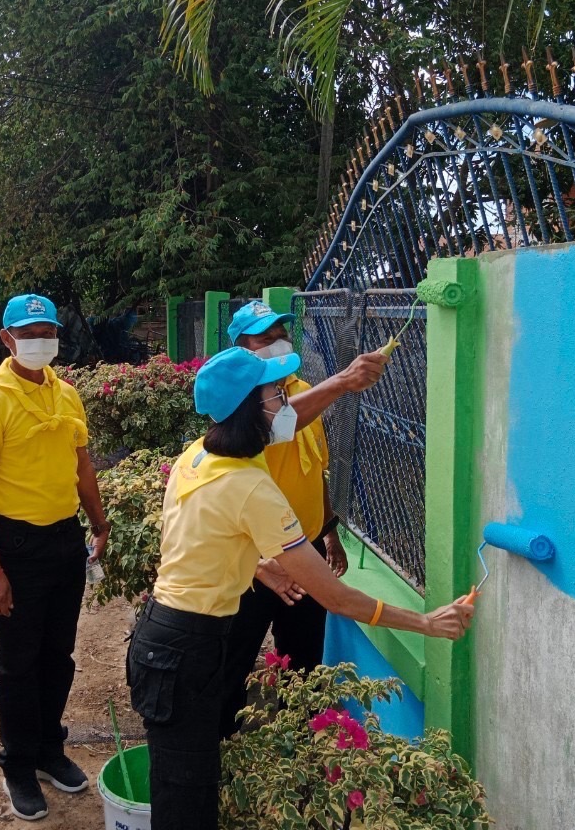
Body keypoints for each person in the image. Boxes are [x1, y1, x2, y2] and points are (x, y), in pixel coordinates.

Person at [127, 347, 474, 830]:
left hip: (166, 635)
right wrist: (425, 622)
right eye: (277, 393)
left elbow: (198, 534)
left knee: (184, 781)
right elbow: (336, 597)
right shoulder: (250, 487)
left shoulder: (199, 455)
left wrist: (257, 565)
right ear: (252, 409)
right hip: (187, 648)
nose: (287, 401)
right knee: (187, 795)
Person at [0, 293, 111, 822]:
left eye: (47, 333)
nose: (39, 342)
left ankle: (50, 748)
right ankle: (19, 764)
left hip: (65, 540)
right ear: (7, 339)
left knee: (58, 654)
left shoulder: (66, 394)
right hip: (17, 546)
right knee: (18, 663)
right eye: (27, 335)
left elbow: (82, 466)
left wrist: (98, 522)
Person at [219, 301, 348, 737]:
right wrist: (343, 381)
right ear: (241, 348)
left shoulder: (303, 388)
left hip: (305, 550)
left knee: (304, 660)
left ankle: (300, 742)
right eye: (264, 338)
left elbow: (316, 471)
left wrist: (329, 533)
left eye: (281, 335)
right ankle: (223, 744)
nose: (277, 343)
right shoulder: (241, 403)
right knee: (235, 657)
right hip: (257, 558)